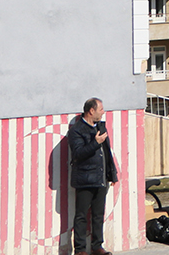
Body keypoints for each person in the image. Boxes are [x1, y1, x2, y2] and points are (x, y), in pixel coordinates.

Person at [68, 97, 118, 255]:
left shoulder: (101, 127)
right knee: (81, 215)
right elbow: (77, 154)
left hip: (101, 178)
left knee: (98, 215)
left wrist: (112, 174)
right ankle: (80, 250)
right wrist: (95, 143)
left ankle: (97, 247)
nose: (103, 112)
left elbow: (107, 153)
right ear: (91, 111)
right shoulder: (76, 130)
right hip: (85, 179)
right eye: (101, 109)